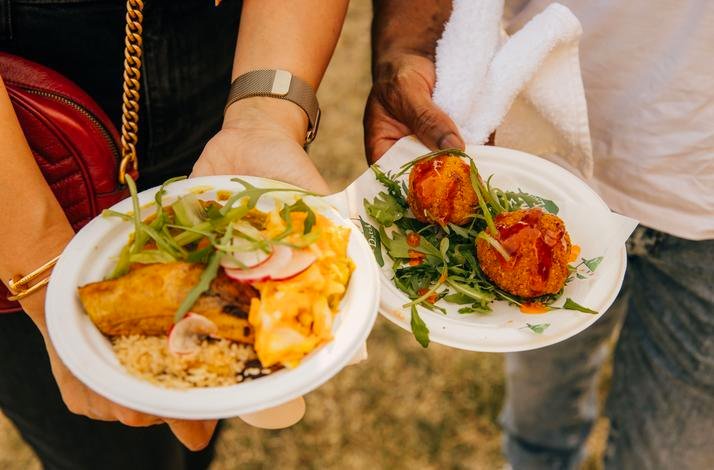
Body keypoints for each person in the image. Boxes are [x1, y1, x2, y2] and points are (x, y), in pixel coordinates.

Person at [365, 0, 714, 468]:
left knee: (666, 457)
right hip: (549, 164)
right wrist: (406, 42)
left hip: (703, 201)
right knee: (539, 414)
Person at [0, 0, 348, 468]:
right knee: (110, 453)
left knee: (209, 407)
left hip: (222, 77)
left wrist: (264, 113)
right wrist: (43, 277)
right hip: (25, 168)